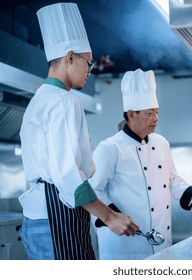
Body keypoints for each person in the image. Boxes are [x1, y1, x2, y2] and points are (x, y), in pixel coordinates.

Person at [18, 3, 138, 260]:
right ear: (70, 57)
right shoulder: (63, 100)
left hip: (37, 221)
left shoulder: (39, 99)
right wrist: (109, 216)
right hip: (57, 220)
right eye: (88, 63)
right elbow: (67, 176)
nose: (89, 72)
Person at [89, 69, 192, 259]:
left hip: (162, 244)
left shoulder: (161, 143)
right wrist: (112, 217)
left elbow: (170, 178)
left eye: (157, 112)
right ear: (131, 114)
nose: (156, 118)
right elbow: (93, 190)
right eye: (149, 113)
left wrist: (191, 193)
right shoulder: (110, 148)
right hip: (125, 246)